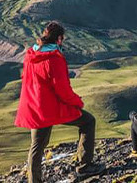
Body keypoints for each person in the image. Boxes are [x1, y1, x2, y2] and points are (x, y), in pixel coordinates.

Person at [14, 22, 104, 183]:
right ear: (59, 39)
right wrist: (77, 102)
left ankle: (34, 181)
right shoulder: (54, 58)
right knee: (88, 121)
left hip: (33, 106)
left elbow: (26, 79)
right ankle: (84, 167)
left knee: (36, 146)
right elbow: (62, 89)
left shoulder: (30, 55)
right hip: (50, 107)